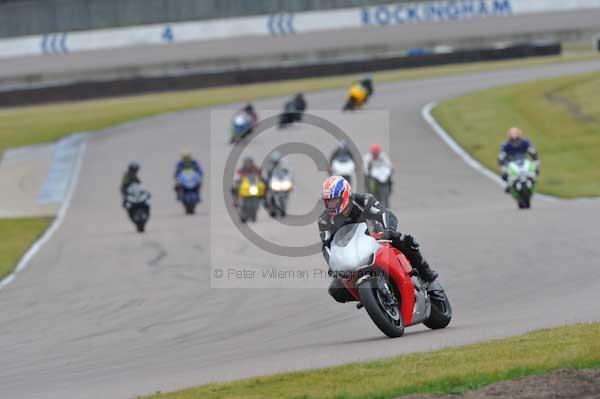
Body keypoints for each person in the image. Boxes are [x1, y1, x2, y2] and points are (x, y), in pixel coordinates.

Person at [318, 176, 438, 303]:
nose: (331, 204)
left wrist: (388, 231)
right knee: (335, 289)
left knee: (406, 241)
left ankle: (427, 277)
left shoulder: (363, 200)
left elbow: (384, 214)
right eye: (328, 201)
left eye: (334, 200)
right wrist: (333, 264)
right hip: (351, 254)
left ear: (345, 195)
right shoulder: (324, 220)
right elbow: (326, 246)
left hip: (377, 238)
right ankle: (370, 297)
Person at [498, 127, 540, 192]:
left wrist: (536, 162)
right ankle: (509, 185)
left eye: (516, 133)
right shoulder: (506, 145)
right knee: (506, 175)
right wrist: (503, 167)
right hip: (511, 162)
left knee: (534, 171)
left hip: (523, 161)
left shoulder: (525, 142)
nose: (514, 135)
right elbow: (501, 156)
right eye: (512, 134)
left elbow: (532, 152)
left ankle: (532, 181)